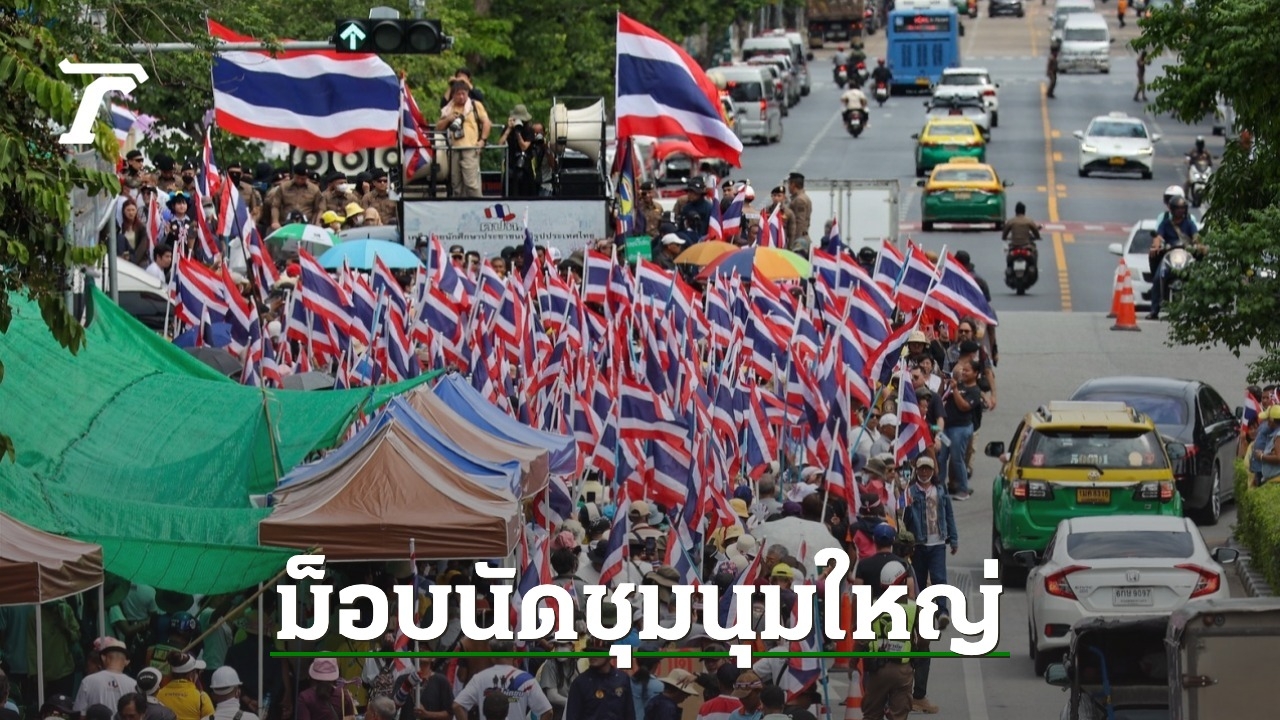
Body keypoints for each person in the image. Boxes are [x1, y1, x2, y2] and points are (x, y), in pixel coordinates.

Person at [858, 562, 920, 720]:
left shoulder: (871, 606)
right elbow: (924, 640)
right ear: (903, 582)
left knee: (871, 715)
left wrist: (853, 662)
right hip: (902, 671)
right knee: (899, 715)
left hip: (877, 670)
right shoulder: (913, 608)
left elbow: (861, 641)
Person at [1147, 196, 1204, 320]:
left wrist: (1199, 245)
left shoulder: (1189, 224)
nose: (1180, 211)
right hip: (1169, 256)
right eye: (1177, 208)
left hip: (1186, 255)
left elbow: (1196, 237)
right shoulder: (1165, 224)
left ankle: (1200, 309)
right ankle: (1154, 310)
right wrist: (1156, 246)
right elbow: (1158, 237)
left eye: (1182, 208)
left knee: (1199, 278)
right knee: (1157, 278)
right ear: (1172, 210)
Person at [436, 80, 492, 198]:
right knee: (456, 184)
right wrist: (448, 119)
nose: (461, 97)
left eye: (464, 93)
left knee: (471, 183)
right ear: (453, 95)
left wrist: (482, 140)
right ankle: (459, 207)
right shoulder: (449, 108)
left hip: (470, 148)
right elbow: (438, 128)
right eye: (458, 94)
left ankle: (477, 205)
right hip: (454, 150)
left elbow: (487, 123)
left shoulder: (475, 105)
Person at [1002, 201, 1042, 269]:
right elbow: (1036, 231)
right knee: (1034, 252)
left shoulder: (1011, 221)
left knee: (1009, 259)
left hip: (1014, 246)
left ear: (1015, 211)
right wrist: (1038, 237)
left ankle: (1010, 269)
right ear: (1024, 211)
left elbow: (1004, 235)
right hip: (1026, 246)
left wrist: (1006, 238)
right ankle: (1034, 268)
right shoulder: (1029, 221)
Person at [1250, 405, 1280, 486]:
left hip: (1275, 480)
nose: (1267, 422)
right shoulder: (1276, 434)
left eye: (1268, 419)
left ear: (1272, 420)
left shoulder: (1278, 435)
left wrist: (1261, 456)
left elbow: (1278, 458)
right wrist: (1267, 453)